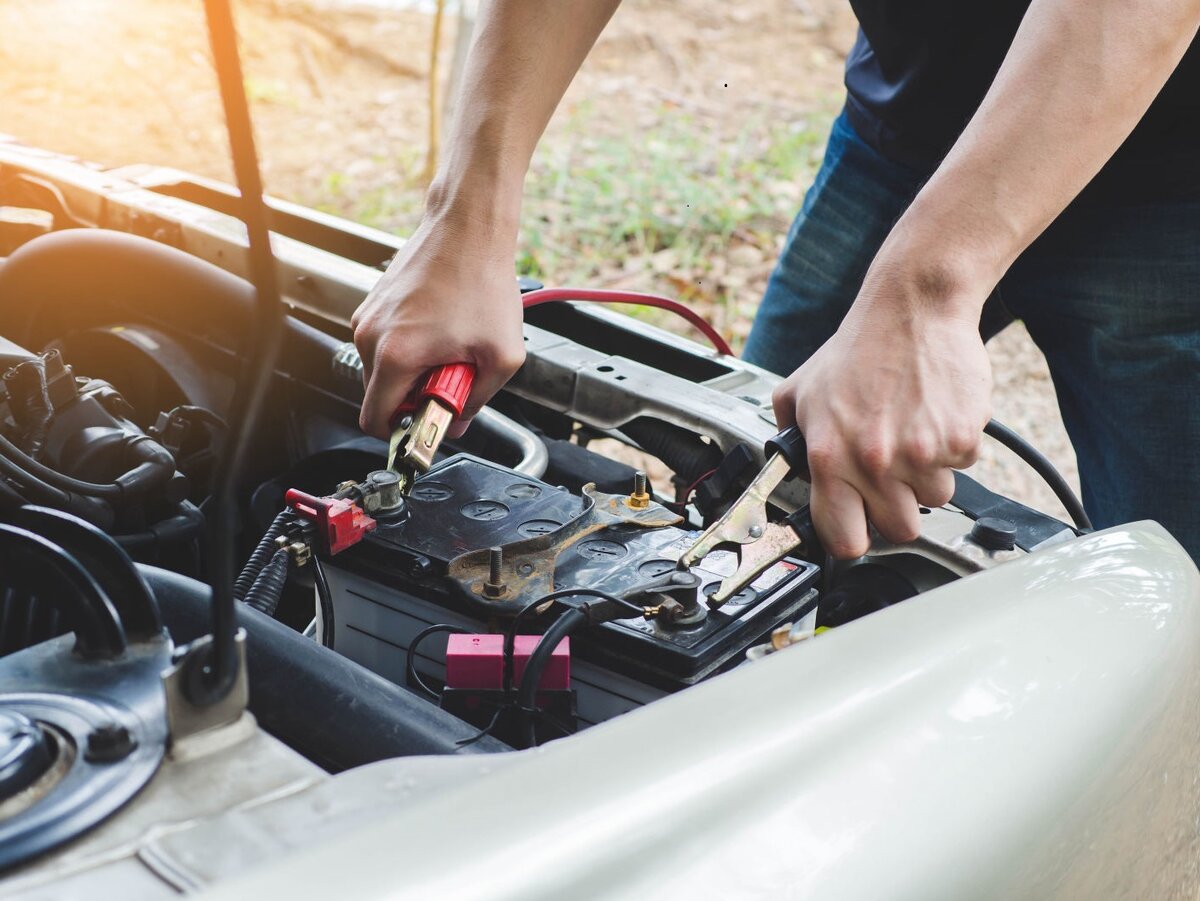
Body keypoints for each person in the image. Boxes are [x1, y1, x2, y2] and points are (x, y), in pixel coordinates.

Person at [351, 1, 1200, 560]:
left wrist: (926, 286)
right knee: (751, 479)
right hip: (903, 125)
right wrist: (465, 215)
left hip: (1168, 185)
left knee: (1174, 594)